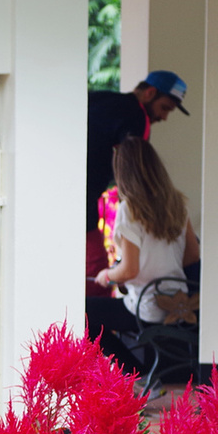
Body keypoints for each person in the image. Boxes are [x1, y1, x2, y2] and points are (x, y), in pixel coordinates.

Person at [87, 138, 199, 376]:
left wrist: (106, 275)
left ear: (123, 173)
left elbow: (129, 271)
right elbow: (192, 256)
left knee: (83, 313)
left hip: (145, 307)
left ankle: (136, 374)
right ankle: (144, 375)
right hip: (176, 304)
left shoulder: (130, 209)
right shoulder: (177, 203)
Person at [86, 70, 188, 297]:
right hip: (85, 195)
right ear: (150, 93)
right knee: (94, 268)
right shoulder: (138, 118)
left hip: (63, 183)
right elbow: (136, 173)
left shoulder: (102, 98)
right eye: (165, 108)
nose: (164, 118)